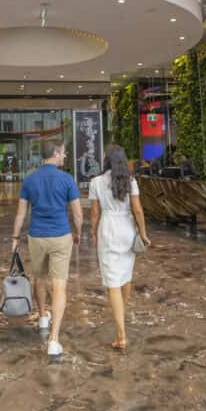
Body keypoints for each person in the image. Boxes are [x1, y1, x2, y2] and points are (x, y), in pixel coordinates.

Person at [11, 141, 83, 357]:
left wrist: (15, 237)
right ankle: (53, 340)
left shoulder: (30, 179)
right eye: (63, 153)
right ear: (55, 153)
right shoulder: (67, 179)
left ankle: (43, 316)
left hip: (37, 236)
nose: (65, 156)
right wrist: (78, 233)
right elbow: (78, 214)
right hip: (61, 236)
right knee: (60, 286)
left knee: (39, 278)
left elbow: (21, 214)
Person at [90, 145, 151, 351]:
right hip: (127, 229)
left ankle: (121, 335)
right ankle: (120, 321)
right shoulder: (130, 181)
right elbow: (138, 209)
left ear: (106, 160)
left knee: (112, 282)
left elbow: (95, 213)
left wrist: (92, 231)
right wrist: (142, 234)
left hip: (108, 229)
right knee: (125, 275)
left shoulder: (96, 182)